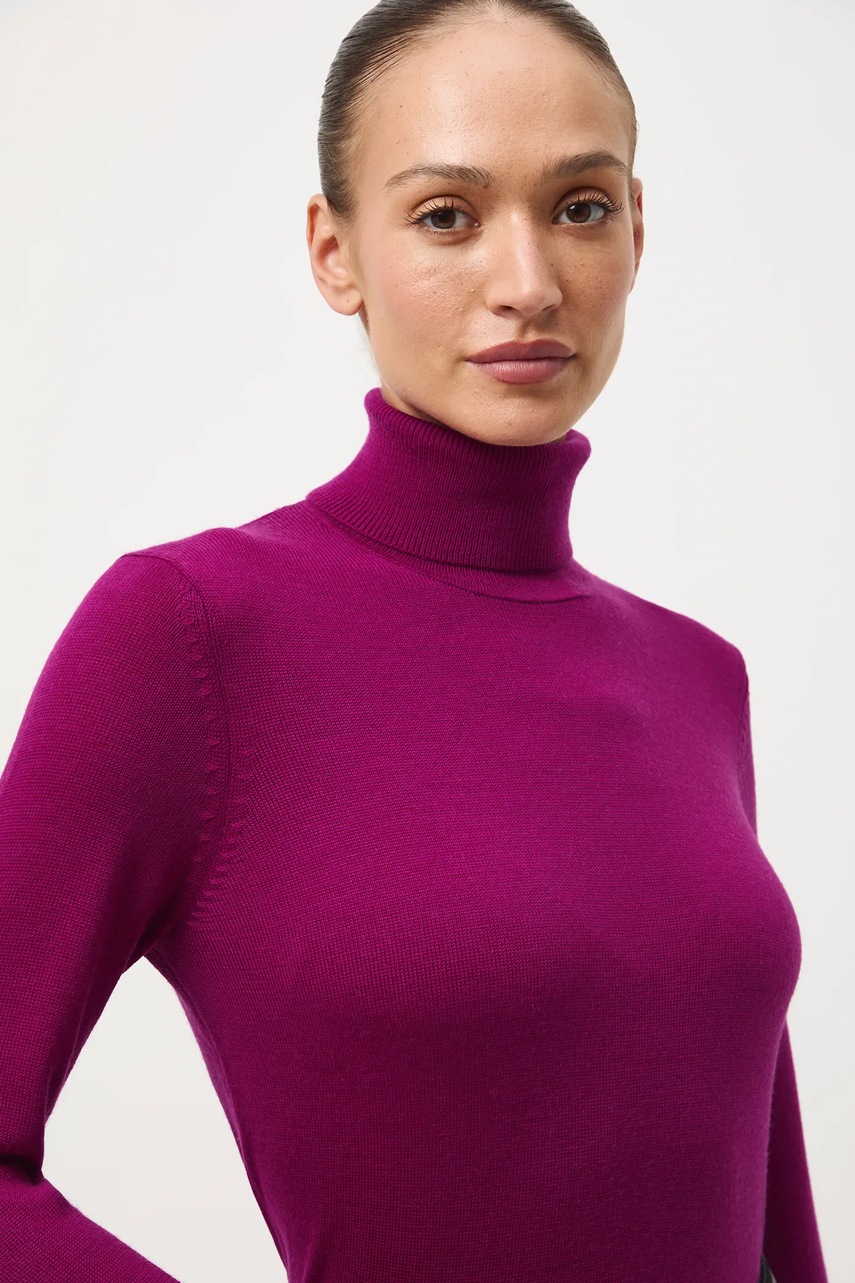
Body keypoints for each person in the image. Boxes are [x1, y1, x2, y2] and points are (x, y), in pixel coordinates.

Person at [0, 1, 828, 1281]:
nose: (529, 282)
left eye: (580, 206)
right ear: (335, 254)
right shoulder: (188, 634)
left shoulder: (699, 675)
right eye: (447, 215)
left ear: (637, 228)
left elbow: (766, 1210)